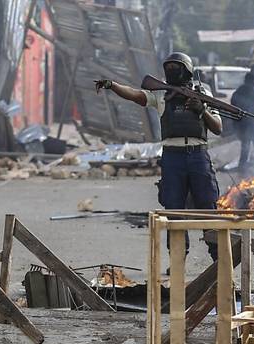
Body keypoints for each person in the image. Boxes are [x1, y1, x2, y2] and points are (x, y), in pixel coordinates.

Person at [94, 52, 222, 265]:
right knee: (174, 212)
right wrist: (112, 85)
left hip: (198, 155)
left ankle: (219, 261)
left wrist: (201, 110)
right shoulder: (162, 94)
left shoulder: (203, 93)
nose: (171, 71)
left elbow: (217, 127)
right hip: (173, 158)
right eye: (168, 67)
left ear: (187, 70)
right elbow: (135, 94)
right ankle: (178, 263)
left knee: (208, 208)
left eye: (176, 67)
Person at [230, 73, 254, 171]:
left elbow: (233, 104)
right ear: (253, 81)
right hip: (251, 123)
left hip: (240, 123)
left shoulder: (238, 91)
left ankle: (243, 164)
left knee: (245, 144)